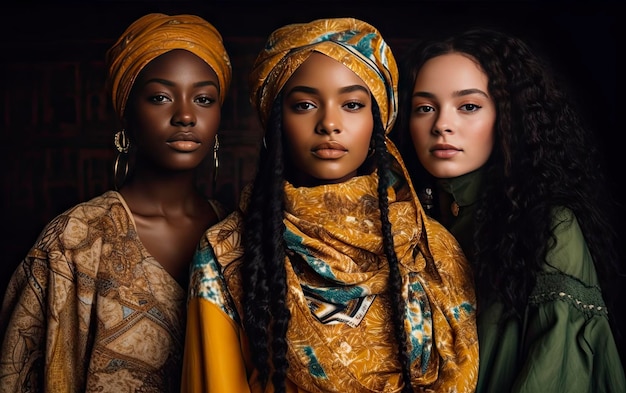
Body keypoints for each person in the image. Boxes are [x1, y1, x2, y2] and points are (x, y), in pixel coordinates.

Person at [182, 17, 478, 393]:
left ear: (378, 120)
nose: (329, 123)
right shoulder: (227, 253)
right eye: (304, 105)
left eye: (352, 104)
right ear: (275, 121)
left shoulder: (431, 247)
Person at [0, 13, 232, 392]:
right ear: (127, 112)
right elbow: (18, 375)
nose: (186, 115)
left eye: (204, 99)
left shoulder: (237, 235)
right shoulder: (73, 240)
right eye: (160, 97)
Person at [393, 27, 626, 392]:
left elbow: (556, 370)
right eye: (425, 108)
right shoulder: (404, 221)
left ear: (508, 115)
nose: (441, 125)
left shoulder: (547, 226)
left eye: (468, 106)